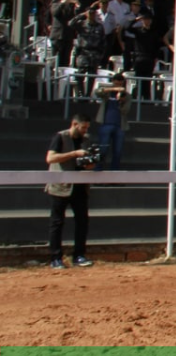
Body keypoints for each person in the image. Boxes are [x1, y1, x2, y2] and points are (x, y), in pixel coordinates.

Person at [46, 113, 96, 269]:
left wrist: (90, 163)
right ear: (74, 124)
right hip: (60, 186)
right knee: (57, 222)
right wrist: (74, 154)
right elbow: (50, 158)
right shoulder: (60, 137)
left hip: (80, 186)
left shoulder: (86, 140)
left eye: (87, 128)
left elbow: (89, 164)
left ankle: (79, 255)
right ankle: (56, 258)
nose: (85, 131)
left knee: (82, 222)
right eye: (83, 127)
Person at [92, 74, 130, 170]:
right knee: (102, 150)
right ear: (113, 81)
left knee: (118, 152)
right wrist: (112, 89)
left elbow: (126, 110)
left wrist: (121, 101)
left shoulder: (127, 95)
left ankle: (114, 175)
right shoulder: (107, 93)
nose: (118, 84)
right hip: (105, 123)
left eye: (120, 82)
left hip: (119, 126)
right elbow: (97, 92)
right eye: (116, 81)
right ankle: (97, 172)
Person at [49, 0, 81, 67]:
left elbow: (76, 18)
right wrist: (63, 3)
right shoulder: (55, 4)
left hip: (68, 37)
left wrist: (77, 8)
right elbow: (55, 13)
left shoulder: (71, 8)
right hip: (57, 36)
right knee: (55, 60)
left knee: (65, 60)